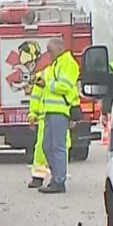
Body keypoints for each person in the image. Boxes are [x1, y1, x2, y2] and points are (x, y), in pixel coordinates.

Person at [36, 37, 80, 194]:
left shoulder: (68, 63)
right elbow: (47, 77)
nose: (48, 54)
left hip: (60, 111)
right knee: (47, 146)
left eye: (51, 51)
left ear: (60, 48)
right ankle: (56, 178)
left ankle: (59, 181)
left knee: (58, 147)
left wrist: (47, 83)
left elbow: (65, 86)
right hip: (50, 111)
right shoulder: (56, 64)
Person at [26, 70, 71, 188]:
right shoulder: (42, 75)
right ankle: (38, 176)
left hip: (61, 115)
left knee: (62, 147)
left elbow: (71, 94)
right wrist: (32, 113)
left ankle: (58, 176)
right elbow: (36, 96)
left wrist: (73, 114)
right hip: (44, 116)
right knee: (41, 148)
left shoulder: (64, 72)